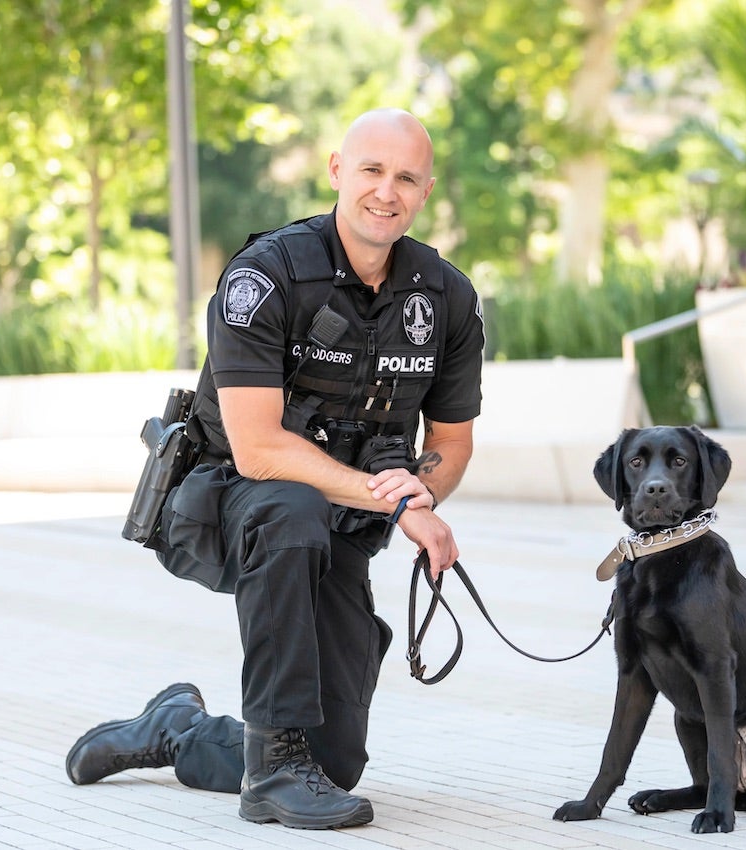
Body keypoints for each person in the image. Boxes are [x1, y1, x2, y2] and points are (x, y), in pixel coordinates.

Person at [65, 109, 484, 830]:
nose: (387, 192)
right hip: (232, 504)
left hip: (340, 528)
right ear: (336, 172)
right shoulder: (267, 276)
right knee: (288, 505)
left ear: (426, 191)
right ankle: (274, 774)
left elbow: (452, 440)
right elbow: (258, 449)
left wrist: (424, 486)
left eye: (407, 178)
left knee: (337, 764)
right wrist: (396, 502)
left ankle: (184, 730)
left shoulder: (444, 296)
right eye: (372, 171)